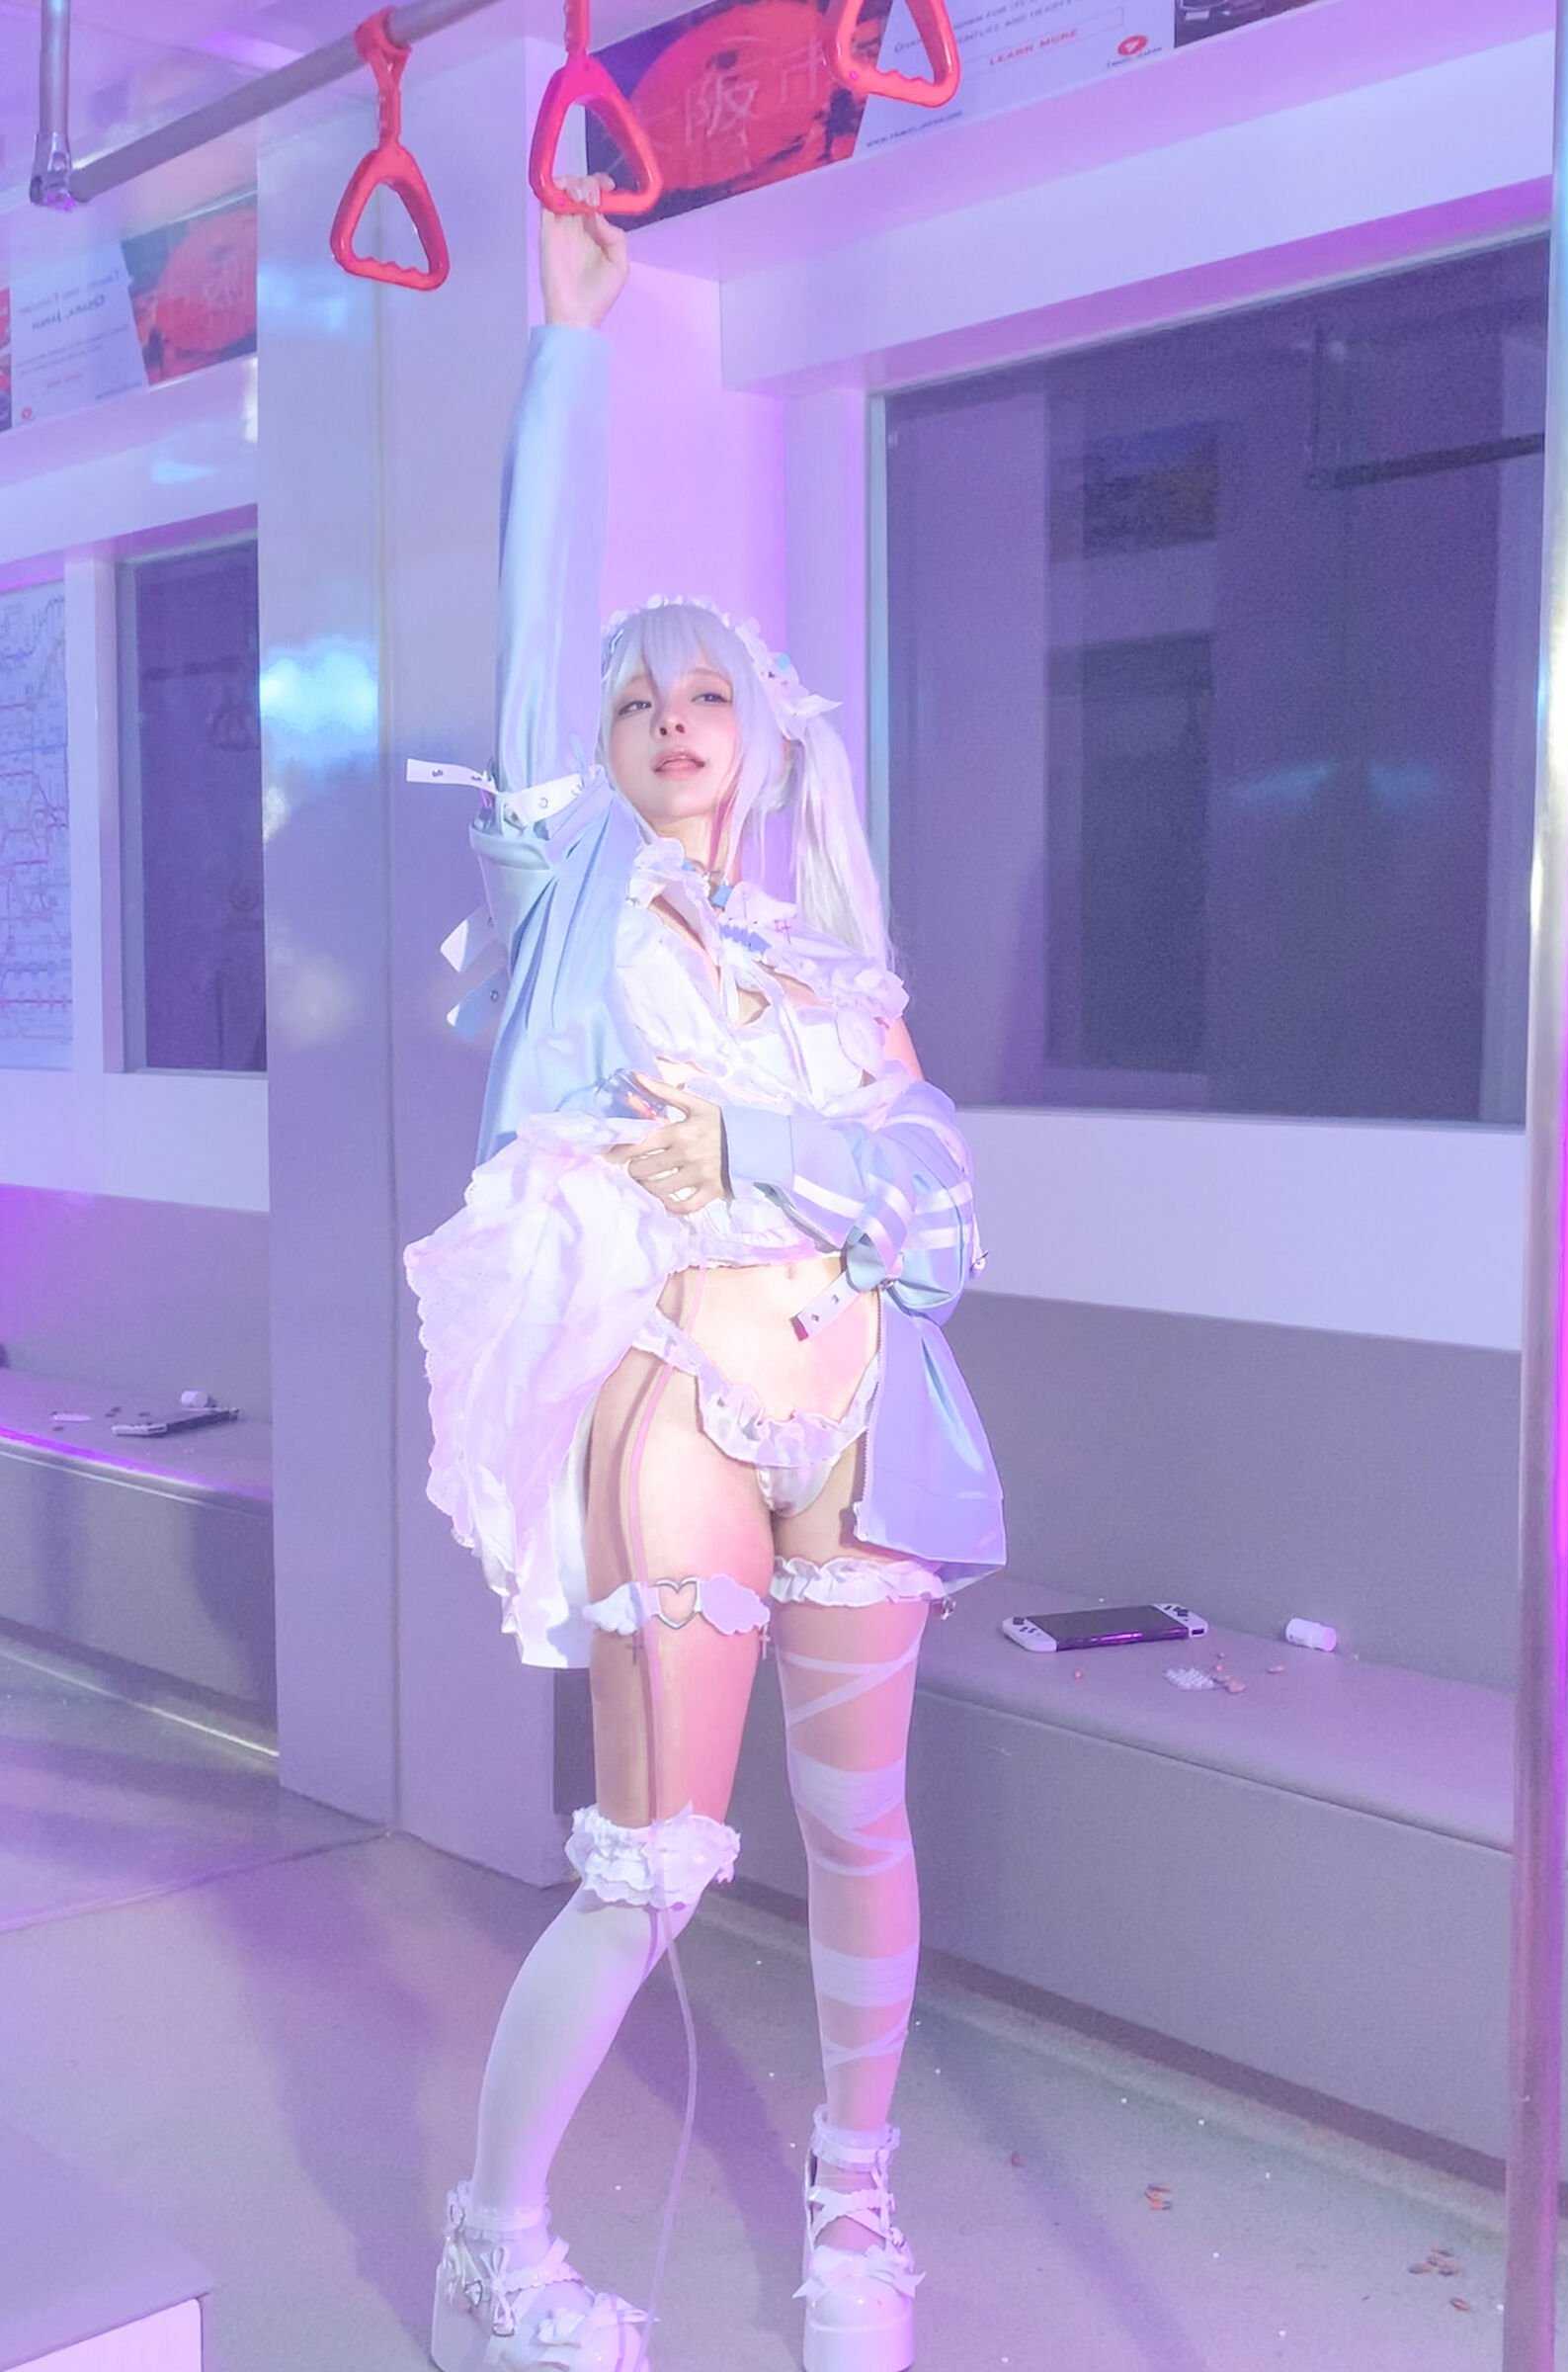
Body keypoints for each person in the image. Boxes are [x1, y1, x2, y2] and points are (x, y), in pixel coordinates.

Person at [404, 174, 1005, 2372]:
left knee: (863, 1832)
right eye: (639, 696)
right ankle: (494, 2253)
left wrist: (769, 1143)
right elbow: (528, 618)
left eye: (708, 693)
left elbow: (943, 1209)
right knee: (653, 1866)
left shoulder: (832, 967)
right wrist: (566, 347)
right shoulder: (577, 889)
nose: (672, 715)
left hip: (868, 1420)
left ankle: (855, 2216)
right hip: (685, 1402)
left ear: (764, 733)